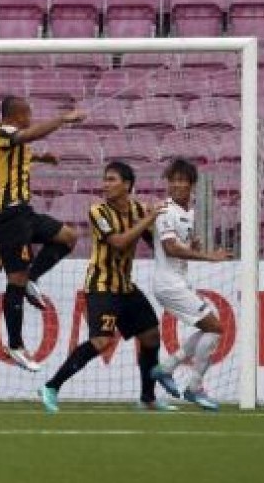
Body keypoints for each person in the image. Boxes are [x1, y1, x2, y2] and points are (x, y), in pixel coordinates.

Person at [39, 161, 173, 413]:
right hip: (101, 286)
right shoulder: (98, 211)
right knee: (101, 341)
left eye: (112, 179)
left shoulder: (138, 210)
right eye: (105, 179)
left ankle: (147, 398)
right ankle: (51, 386)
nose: (105, 184)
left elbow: (156, 243)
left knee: (151, 335)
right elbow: (119, 242)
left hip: (125, 286)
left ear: (127, 185)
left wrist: (178, 242)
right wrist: (150, 218)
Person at [0, 96, 84, 371]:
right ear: (17, 115)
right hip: (8, 217)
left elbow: (22, 153)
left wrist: (43, 158)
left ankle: (34, 277)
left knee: (69, 237)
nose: (31, 117)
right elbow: (27, 136)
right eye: (28, 113)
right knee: (14, 281)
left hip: (23, 213)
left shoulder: (13, 142)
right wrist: (63, 119)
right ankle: (15, 345)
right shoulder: (2, 132)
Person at [149, 158, 232, 411]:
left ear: (192, 185)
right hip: (168, 284)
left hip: (180, 281)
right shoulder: (165, 210)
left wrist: (193, 246)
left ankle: (166, 369)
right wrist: (209, 257)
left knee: (210, 328)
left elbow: (181, 245)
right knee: (215, 327)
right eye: (172, 180)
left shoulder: (190, 212)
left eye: (182, 180)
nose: (176, 185)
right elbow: (170, 247)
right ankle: (193, 387)